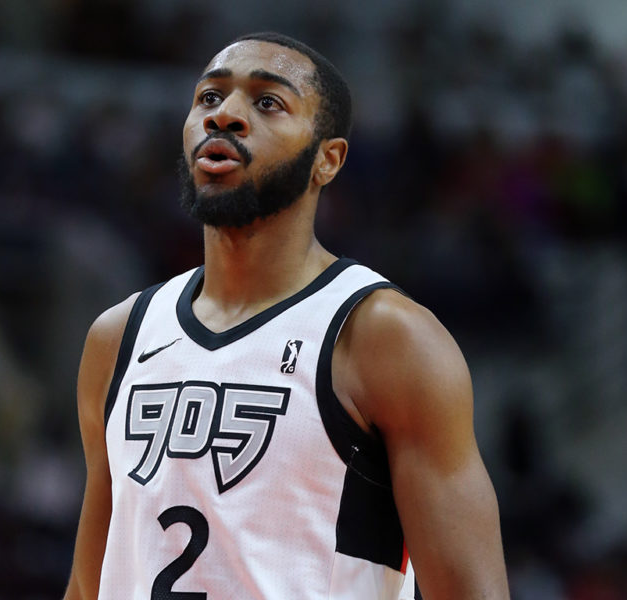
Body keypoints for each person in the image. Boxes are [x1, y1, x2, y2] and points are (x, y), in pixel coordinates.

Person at [63, 31, 510, 600]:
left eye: (268, 101)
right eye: (208, 97)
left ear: (328, 159)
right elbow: (89, 585)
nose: (224, 115)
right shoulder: (118, 336)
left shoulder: (385, 337)